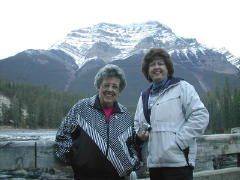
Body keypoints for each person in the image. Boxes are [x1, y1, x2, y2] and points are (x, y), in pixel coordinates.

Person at [134, 48, 209, 180]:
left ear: (168, 68)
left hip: (178, 163)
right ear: (147, 71)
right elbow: (137, 124)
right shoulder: (144, 96)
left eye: (160, 64)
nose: (156, 67)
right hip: (154, 164)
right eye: (152, 65)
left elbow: (201, 116)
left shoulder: (182, 87)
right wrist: (140, 135)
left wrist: (179, 143)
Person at [55, 64, 139, 180]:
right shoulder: (82, 107)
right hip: (84, 176)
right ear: (98, 86)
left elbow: (132, 143)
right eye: (106, 85)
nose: (110, 90)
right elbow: (63, 135)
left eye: (114, 87)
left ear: (119, 91)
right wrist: (74, 160)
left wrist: (132, 161)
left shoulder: (124, 114)